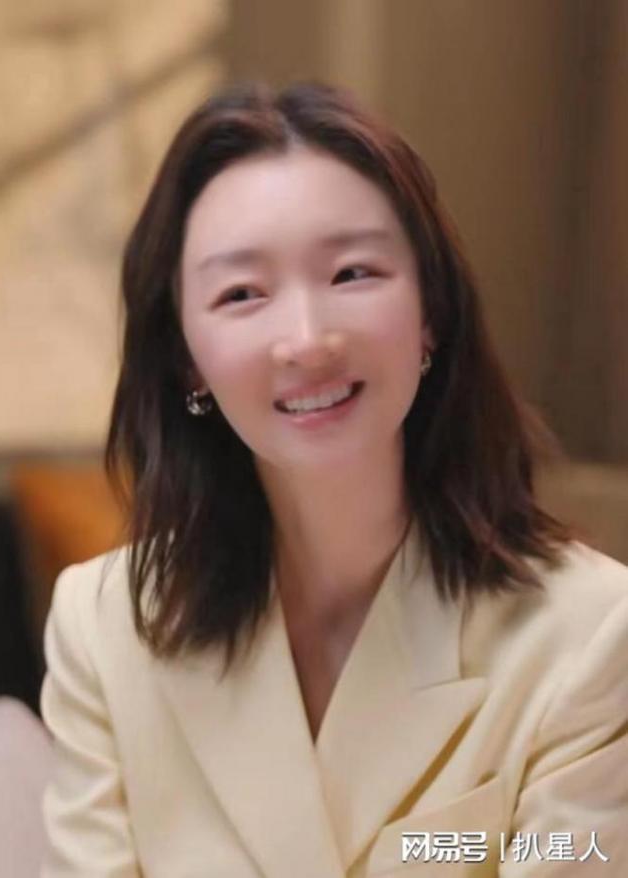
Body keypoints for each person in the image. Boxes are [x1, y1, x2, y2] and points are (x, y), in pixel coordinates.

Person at [39, 80, 628, 877]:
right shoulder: (104, 630)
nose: (308, 340)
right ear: (186, 357)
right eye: (242, 293)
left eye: (352, 273)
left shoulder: (591, 634)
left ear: (430, 312)